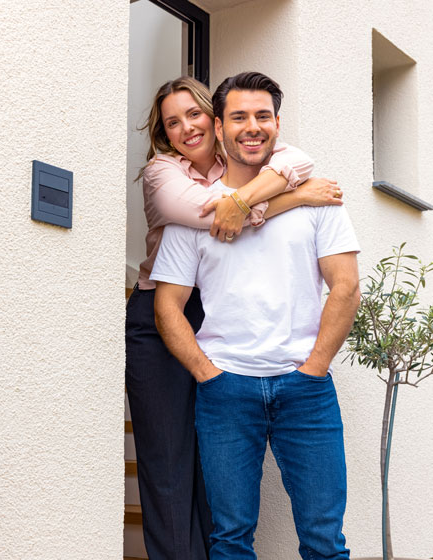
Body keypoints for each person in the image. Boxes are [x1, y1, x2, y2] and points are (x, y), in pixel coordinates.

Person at [126, 76, 345, 560]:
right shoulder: (163, 173)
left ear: (214, 119)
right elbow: (217, 219)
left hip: (214, 308)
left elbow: (298, 161)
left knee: (216, 473)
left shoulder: (249, 161)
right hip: (160, 310)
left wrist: (254, 193)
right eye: (172, 123)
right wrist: (295, 197)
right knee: (168, 459)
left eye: (194, 114)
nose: (187, 128)